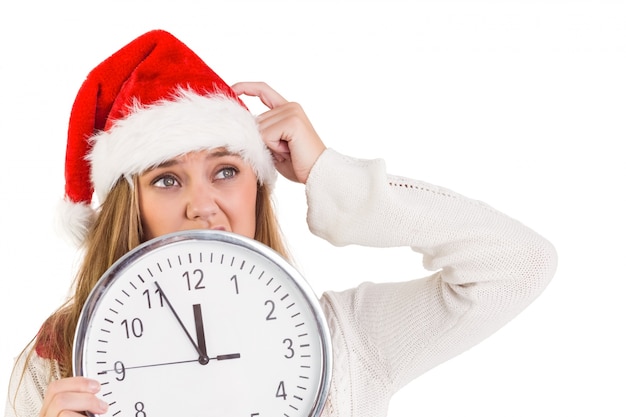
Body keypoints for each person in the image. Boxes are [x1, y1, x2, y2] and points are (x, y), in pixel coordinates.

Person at [4, 29, 557, 417]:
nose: (202, 205)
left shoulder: (346, 343)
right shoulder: (59, 364)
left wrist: (332, 176)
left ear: (258, 188)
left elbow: (519, 263)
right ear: (133, 205)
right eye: (167, 179)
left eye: (225, 170)